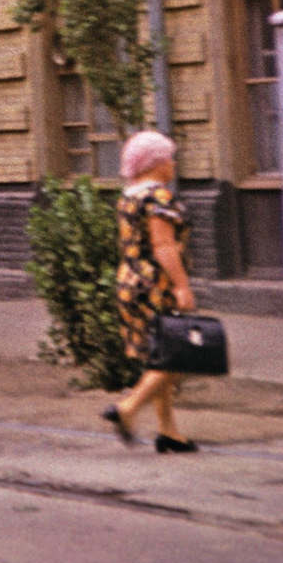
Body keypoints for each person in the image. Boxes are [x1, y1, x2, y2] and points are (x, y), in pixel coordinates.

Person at [103, 130, 197, 453]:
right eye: (169, 158)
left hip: (129, 282)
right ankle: (128, 408)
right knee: (177, 355)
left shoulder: (129, 196)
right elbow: (163, 245)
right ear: (155, 163)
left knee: (159, 357)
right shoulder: (158, 197)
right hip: (156, 285)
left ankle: (169, 432)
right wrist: (182, 286)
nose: (172, 164)